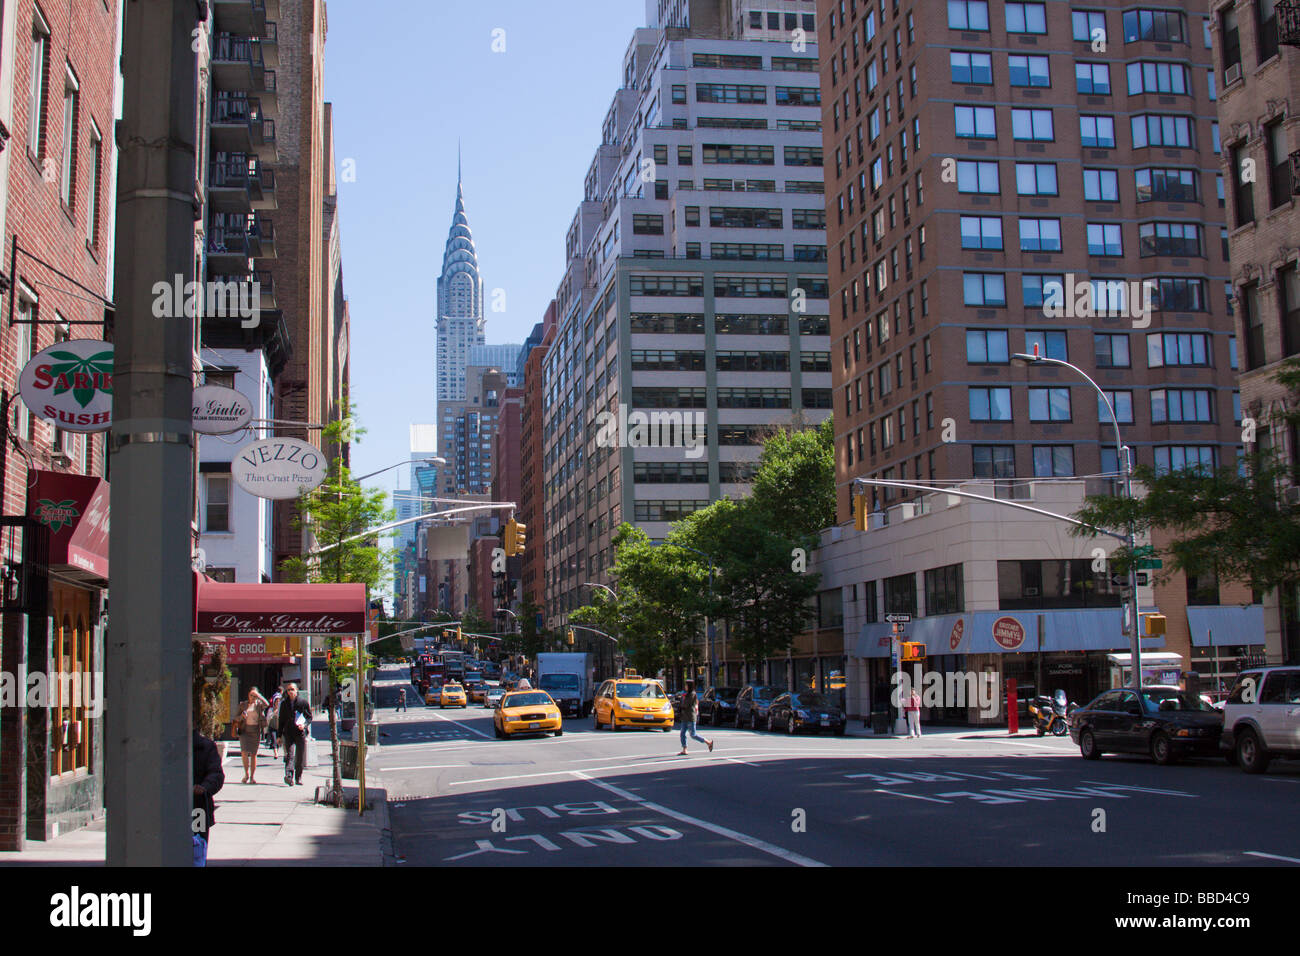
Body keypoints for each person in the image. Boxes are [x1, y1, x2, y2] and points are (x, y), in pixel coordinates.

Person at [192, 728, 224, 866]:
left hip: (197, 807)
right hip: (194, 808)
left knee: (196, 851)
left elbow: (216, 774)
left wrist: (204, 787)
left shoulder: (205, 746)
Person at [277, 683, 312, 786]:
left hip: (300, 732)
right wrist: (279, 735)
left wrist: (304, 725)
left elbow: (309, 717)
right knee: (290, 755)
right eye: (288, 690)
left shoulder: (303, 703)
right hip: (288, 733)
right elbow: (281, 720)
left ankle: (298, 777)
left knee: (299, 756)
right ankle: (289, 776)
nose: (290, 692)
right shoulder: (284, 704)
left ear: (296, 690)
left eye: (292, 689)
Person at [234, 687, 269, 783]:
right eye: (251, 695)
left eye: (255, 696)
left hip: (255, 731)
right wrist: (242, 716)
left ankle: (252, 777)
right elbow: (236, 717)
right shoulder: (243, 705)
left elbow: (267, 704)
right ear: (248, 695)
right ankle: (246, 774)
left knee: (253, 754)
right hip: (244, 731)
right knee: (244, 752)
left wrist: (259, 696)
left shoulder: (259, 705)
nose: (253, 697)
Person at [677, 680, 715, 755]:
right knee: (682, 733)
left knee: (693, 735)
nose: (685, 687)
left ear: (689, 686)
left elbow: (686, 704)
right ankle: (684, 749)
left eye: (686, 685)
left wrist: (682, 703)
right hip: (685, 717)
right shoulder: (687, 694)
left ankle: (708, 742)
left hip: (691, 717)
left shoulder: (692, 694)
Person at [265, 685, 283, 757]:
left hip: (279, 727)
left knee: (278, 740)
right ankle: (275, 753)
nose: (277, 703)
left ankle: (277, 750)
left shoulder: (281, 709)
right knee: (274, 740)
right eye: (276, 701)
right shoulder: (271, 709)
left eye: (279, 701)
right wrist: (274, 713)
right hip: (272, 726)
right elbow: (268, 718)